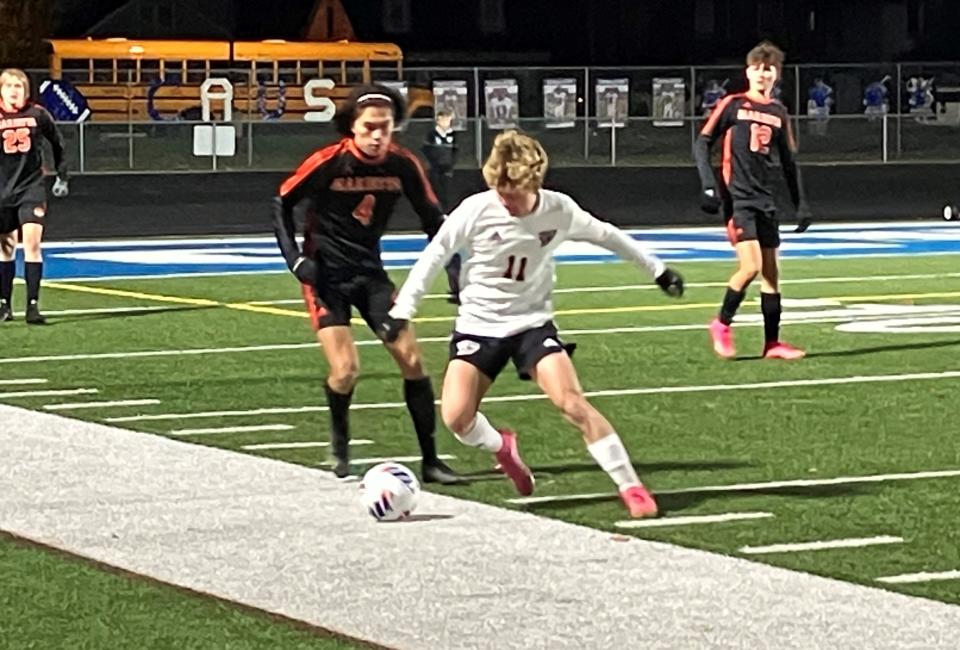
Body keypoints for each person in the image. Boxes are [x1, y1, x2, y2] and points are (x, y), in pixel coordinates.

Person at [382, 130, 685, 519]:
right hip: (479, 325)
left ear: (534, 183)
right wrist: (403, 310)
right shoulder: (476, 209)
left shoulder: (559, 210)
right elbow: (435, 254)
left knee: (572, 403)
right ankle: (501, 447)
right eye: (499, 189)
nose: (504, 199)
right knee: (457, 418)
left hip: (532, 325)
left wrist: (657, 270)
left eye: (513, 192)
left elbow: (607, 235)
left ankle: (631, 485)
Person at [271, 84, 461, 484]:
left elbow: (434, 220)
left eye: (386, 127)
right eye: (370, 127)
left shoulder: (404, 165)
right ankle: (340, 447)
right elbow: (283, 203)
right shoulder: (330, 162)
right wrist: (296, 261)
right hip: (327, 279)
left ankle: (431, 461)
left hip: (371, 276)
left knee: (412, 361)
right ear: (352, 128)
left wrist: (454, 269)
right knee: (346, 370)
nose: (378, 136)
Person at [694, 41, 811, 361]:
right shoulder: (733, 104)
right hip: (739, 200)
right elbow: (702, 143)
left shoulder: (778, 113)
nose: (763, 74)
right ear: (748, 72)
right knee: (751, 267)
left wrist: (801, 203)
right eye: (758, 68)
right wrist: (709, 185)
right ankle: (721, 323)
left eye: (769, 69)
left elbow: (789, 161)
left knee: (772, 274)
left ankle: (772, 343)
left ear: (777, 75)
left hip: (765, 200)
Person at [0, 68, 69, 325]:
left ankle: (32, 305)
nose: (14, 90)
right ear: (1, 90)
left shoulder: (38, 115)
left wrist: (62, 174)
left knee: (32, 243)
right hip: (2, 189)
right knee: (6, 247)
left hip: (31, 187)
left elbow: (57, 141)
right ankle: (5, 304)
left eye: (19, 86)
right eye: (9, 86)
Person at [421, 108, 461, 304]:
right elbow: (428, 151)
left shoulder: (453, 136)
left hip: (446, 187)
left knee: (447, 252)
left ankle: (458, 288)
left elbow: (454, 152)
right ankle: (457, 288)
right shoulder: (431, 137)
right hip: (438, 182)